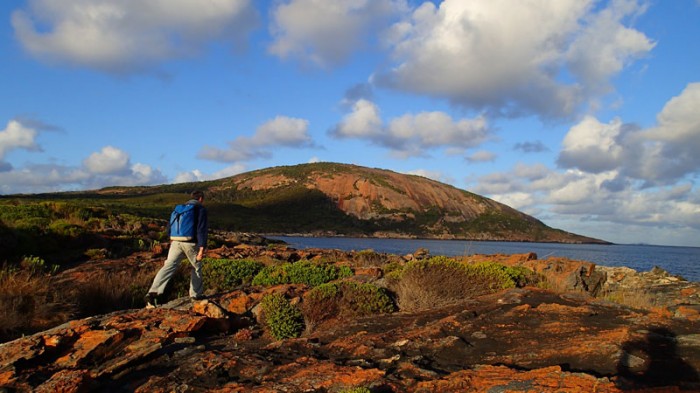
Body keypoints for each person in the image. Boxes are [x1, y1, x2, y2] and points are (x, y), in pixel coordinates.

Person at [145, 190, 208, 307]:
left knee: (169, 266)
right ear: (200, 199)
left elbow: (170, 226)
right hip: (190, 243)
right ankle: (196, 295)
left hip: (175, 241)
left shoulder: (179, 209)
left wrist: (171, 239)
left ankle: (153, 293)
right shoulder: (200, 209)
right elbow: (201, 230)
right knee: (196, 267)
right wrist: (201, 248)